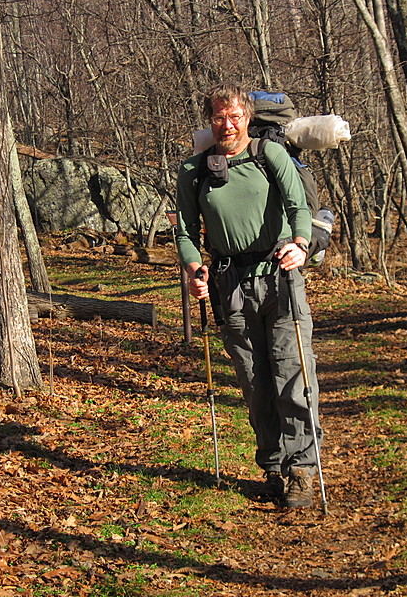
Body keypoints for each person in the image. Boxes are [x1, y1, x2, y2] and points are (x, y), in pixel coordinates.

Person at [175, 83, 322, 509]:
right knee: (254, 381)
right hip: (229, 282)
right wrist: (193, 268)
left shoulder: (268, 155)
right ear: (210, 120)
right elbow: (185, 231)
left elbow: (298, 207)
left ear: (248, 118)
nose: (228, 123)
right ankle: (274, 464)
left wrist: (299, 242)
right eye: (219, 116)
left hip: (279, 275)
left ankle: (302, 470)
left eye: (235, 115)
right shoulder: (194, 170)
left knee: (293, 373)